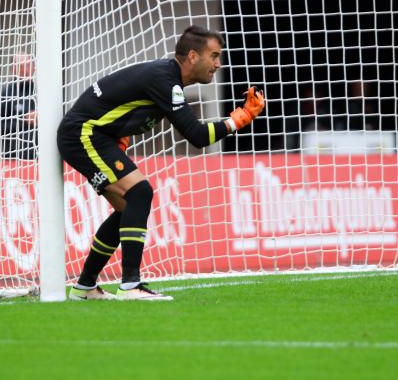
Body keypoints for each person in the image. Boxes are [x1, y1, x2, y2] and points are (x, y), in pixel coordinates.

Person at [57, 25, 265, 301]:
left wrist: (117, 134)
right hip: (83, 134)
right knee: (139, 192)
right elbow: (197, 136)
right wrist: (239, 118)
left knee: (128, 208)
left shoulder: (166, 79)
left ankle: (85, 286)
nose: (217, 64)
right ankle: (130, 285)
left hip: (96, 134)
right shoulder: (165, 81)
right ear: (192, 56)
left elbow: (118, 102)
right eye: (213, 56)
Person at [0, 53, 37, 160]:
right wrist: (23, 120)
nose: (25, 70)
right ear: (13, 69)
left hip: (42, 159)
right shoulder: (6, 94)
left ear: (33, 67)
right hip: (14, 160)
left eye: (28, 65)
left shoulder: (42, 92)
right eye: (21, 66)